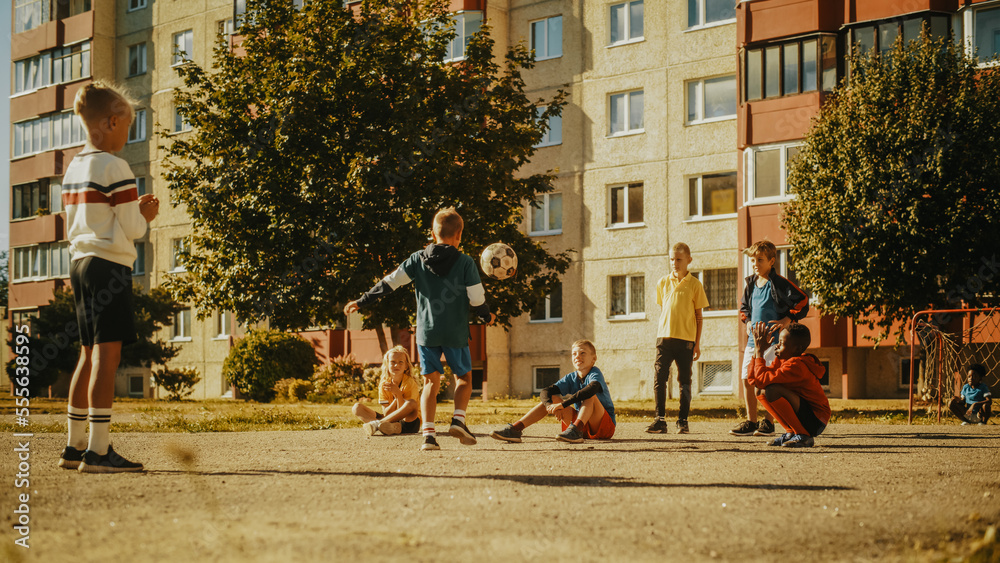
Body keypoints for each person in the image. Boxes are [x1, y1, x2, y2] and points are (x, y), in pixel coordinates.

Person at [58, 82, 160, 473]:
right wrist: (145, 213)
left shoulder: (74, 168)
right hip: (108, 267)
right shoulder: (115, 167)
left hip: (80, 264)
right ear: (111, 121)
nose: (127, 135)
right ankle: (99, 452)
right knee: (107, 354)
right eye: (127, 127)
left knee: (87, 353)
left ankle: (74, 446)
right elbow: (132, 227)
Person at [344, 207, 494, 451]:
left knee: (430, 383)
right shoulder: (465, 262)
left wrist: (362, 301)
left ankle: (428, 436)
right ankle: (458, 420)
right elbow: (476, 298)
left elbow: (390, 282)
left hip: (426, 333)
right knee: (464, 378)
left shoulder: (417, 259)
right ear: (459, 235)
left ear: (433, 234)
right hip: (454, 332)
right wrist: (486, 314)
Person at [731, 240, 809, 437]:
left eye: (760, 260)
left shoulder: (780, 283)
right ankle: (751, 421)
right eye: (753, 260)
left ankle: (768, 422)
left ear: (771, 261)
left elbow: (803, 301)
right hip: (753, 342)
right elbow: (744, 308)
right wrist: (747, 321)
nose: (755, 263)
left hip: (773, 343)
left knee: (769, 381)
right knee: (747, 380)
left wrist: (786, 319)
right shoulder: (750, 284)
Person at [490, 340, 616, 444]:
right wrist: (549, 406)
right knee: (552, 397)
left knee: (590, 395)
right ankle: (516, 429)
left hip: (603, 427)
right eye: (574, 354)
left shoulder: (595, 372)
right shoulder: (571, 377)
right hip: (583, 427)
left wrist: (563, 405)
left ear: (593, 359)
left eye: (582, 353)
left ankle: (576, 430)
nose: (577, 356)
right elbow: (546, 391)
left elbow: (592, 388)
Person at [646, 242, 709, 435]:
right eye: (672, 259)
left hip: (686, 341)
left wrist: (697, 343)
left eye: (679, 259)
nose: (675, 263)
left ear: (689, 260)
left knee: (685, 381)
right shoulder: (663, 282)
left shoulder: (695, 285)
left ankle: (682, 420)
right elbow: (665, 309)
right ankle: (660, 419)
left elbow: (699, 316)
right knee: (660, 378)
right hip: (664, 339)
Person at [746, 322, 830, 448]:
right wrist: (758, 353)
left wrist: (759, 352)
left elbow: (762, 380)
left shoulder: (796, 365)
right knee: (760, 391)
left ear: (797, 349)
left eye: (782, 343)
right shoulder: (783, 360)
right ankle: (791, 433)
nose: (777, 346)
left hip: (816, 420)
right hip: (805, 415)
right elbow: (755, 381)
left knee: (772, 390)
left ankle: (803, 435)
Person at [352, 346, 421, 435]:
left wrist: (398, 394)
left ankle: (377, 425)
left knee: (411, 403)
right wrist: (396, 398)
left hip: (409, 422)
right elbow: (386, 412)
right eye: (393, 362)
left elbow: (404, 413)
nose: (396, 365)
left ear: (406, 366)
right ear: (387, 364)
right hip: (389, 418)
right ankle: (389, 428)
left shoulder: (409, 383)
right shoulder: (384, 384)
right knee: (356, 408)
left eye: (401, 362)